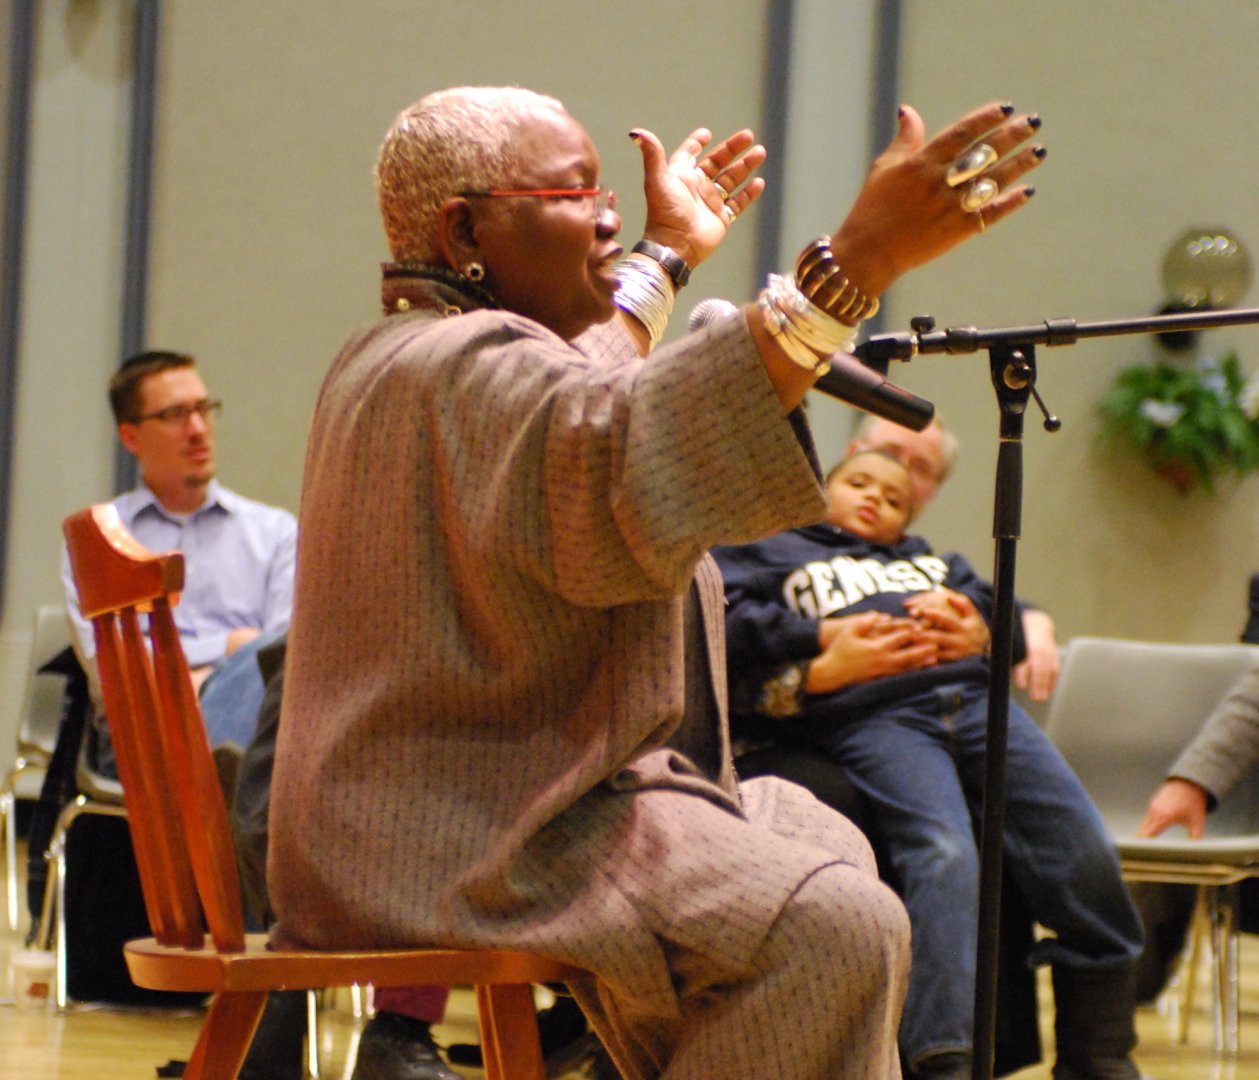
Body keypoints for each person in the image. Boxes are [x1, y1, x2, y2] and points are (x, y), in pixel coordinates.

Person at [267, 84, 1045, 1078]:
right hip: (467, 834)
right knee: (829, 923)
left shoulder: (411, 355)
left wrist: (670, 250)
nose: (607, 213)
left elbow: (585, 391)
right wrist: (850, 268)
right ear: (463, 226)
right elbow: (615, 436)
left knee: (813, 834)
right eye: (572, 191)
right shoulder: (467, 365)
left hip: (453, 809)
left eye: (605, 188)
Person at [714, 450, 1146, 1080]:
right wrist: (819, 640)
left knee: (1085, 855)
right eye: (857, 483)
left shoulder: (930, 562)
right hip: (880, 718)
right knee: (945, 855)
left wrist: (982, 628)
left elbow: (1013, 617)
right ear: (819, 488)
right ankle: (947, 1059)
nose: (874, 499)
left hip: (978, 706)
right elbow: (724, 620)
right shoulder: (774, 550)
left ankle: (1102, 1056)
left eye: (894, 498)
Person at [60, 350, 297, 754]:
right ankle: (227, 794)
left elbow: (284, 665)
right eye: (174, 414)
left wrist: (213, 681)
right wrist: (227, 649)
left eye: (204, 409)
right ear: (130, 437)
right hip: (142, 737)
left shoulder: (276, 532)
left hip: (256, 729)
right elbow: (115, 671)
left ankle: (222, 785)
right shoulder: (98, 538)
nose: (198, 428)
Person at [848, 413, 1061, 702]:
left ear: (932, 492)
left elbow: (986, 598)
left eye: (921, 468)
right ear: (853, 453)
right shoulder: (784, 542)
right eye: (887, 453)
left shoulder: (924, 563)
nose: (899, 472)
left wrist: (1030, 621)